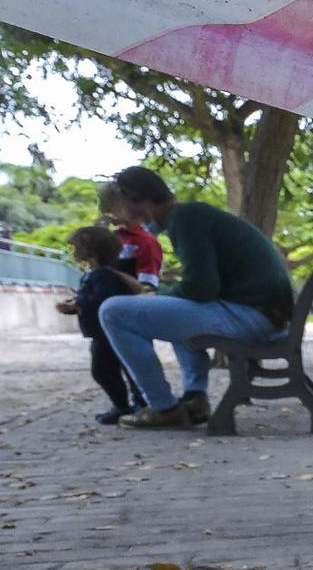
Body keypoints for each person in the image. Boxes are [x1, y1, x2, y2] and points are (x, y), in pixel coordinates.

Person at [96, 166, 294, 429]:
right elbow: (200, 289)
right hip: (263, 314)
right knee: (172, 310)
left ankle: (162, 406)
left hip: (254, 316)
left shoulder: (186, 219)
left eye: (119, 210)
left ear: (139, 201)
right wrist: (163, 296)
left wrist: (156, 293)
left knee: (112, 311)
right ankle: (194, 397)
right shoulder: (188, 215)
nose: (119, 221)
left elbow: (201, 288)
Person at [55, 226, 147, 424]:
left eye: (76, 248)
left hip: (108, 333)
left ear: (90, 251)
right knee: (118, 369)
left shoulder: (104, 276)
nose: (74, 252)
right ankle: (130, 404)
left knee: (105, 370)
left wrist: (78, 305)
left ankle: (129, 405)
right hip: (102, 332)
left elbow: (104, 300)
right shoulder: (97, 275)